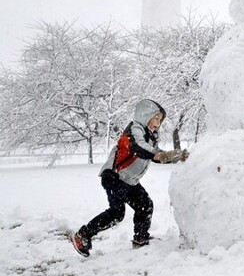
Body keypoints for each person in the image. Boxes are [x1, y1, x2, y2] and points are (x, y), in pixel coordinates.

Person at [69, 99, 189, 257]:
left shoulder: (150, 136)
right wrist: (160, 154)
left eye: (160, 120)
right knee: (117, 213)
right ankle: (82, 235)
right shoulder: (134, 130)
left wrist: (174, 156)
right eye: (156, 118)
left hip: (129, 181)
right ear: (145, 115)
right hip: (114, 177)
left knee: (145, 205)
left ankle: (140, 239)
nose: (158, 123)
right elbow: (139, 148)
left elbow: (154, 153)